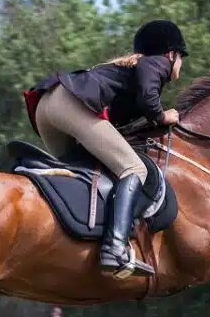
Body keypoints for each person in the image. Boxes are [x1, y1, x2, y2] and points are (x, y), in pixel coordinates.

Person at [24, 19, 188, 279]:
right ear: (171, 53)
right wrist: (162, 116)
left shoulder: (126, 68)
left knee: (81, 173)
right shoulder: (156, 62)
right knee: (134, 168)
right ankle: (115, 247)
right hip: (69, 105)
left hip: (47, 107)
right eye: (181, 57)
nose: (180, 64)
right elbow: (148, 97)